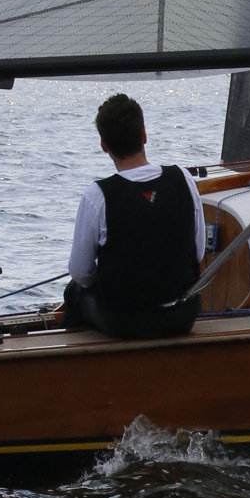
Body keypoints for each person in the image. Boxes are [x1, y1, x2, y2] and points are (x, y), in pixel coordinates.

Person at [63, 94, 205, 339]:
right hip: (181, 317)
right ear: (144, 135)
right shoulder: (184, 179)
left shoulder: (97, 195)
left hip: (124, 322)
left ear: (104, 145)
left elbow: (81, 272)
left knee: (74, 292)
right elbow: (198, 253)